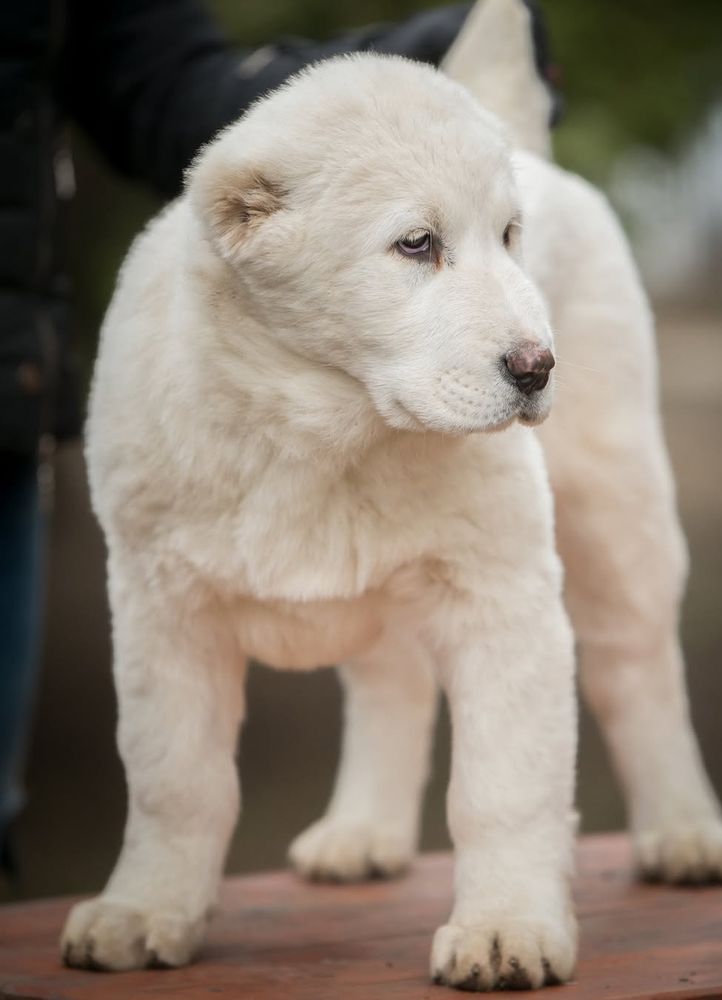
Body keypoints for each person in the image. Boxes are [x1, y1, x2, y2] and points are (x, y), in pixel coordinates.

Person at [0, 0, 555, 884]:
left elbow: (166, 86)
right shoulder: (164, 362)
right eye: (417, 244)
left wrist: (382, 68)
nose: (532, 341)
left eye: (509, 235)